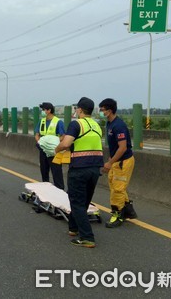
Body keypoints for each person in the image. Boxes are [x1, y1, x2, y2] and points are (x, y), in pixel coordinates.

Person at [55, 97, 103, 248]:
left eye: (77, 108)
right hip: (95, 169)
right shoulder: (97, 125)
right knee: (84, 201)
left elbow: (66, 143)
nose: (76, 111)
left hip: (79, 169)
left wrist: (57, 149)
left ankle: (87, 237)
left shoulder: (76, 124)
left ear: (80, 110)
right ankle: (73, 228)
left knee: (76, 202)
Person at [99, 98, 138, 228]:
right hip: (117, 160)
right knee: (113, 182)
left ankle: (118, 213)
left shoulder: (118, 125)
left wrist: (110, 163)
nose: (101, 112)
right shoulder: (109, 124)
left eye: (102, 110)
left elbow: (122, 148)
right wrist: (111, 160)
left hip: (124, 161)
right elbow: (114, 146)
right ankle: (128, 209)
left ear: (109, 111)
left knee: (118, 188)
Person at [35, 102, 66, 190]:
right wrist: (40, 143)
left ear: (49, 110)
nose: (42, 111)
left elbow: (63, 136)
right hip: (43, 150)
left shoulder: (58, 122)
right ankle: (46, 192)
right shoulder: (42, 121)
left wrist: (53, 144)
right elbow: (37, 134)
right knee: (44, 171)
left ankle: (60, 191)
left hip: (54, 151)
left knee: (56, 172)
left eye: (44, 109)